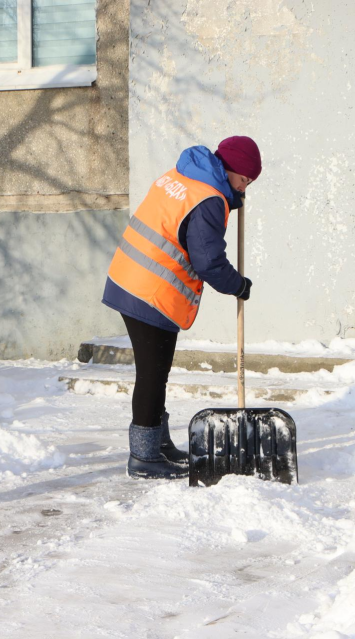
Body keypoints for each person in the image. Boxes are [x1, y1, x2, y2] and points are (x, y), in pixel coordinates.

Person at [102, 136, 261, 480]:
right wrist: (239, 285)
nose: (245, 188)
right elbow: (209, 262)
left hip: (132, 278)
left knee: (157, 371)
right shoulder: (208, 199)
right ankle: (143, 457)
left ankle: (157, 444)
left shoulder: (185, 175)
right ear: (232, 170)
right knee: (152, 373)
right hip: (149, 290)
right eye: (245, 180)